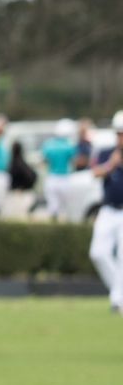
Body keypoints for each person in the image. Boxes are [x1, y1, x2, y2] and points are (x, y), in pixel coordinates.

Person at [87, 113, 123, 315]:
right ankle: (119, 294)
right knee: (98, 253)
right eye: (119, 134)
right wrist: (111, 164)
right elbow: (94, 172)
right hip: (108, 210)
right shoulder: (107, 153)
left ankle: (117, 301)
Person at [40, 119, 81, 220]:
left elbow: (44, 161)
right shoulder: (69, 146)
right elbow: (74, 161)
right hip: (65, 178)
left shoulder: (48, 145)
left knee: (53, 207)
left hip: (52, 177)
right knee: (67, 208)